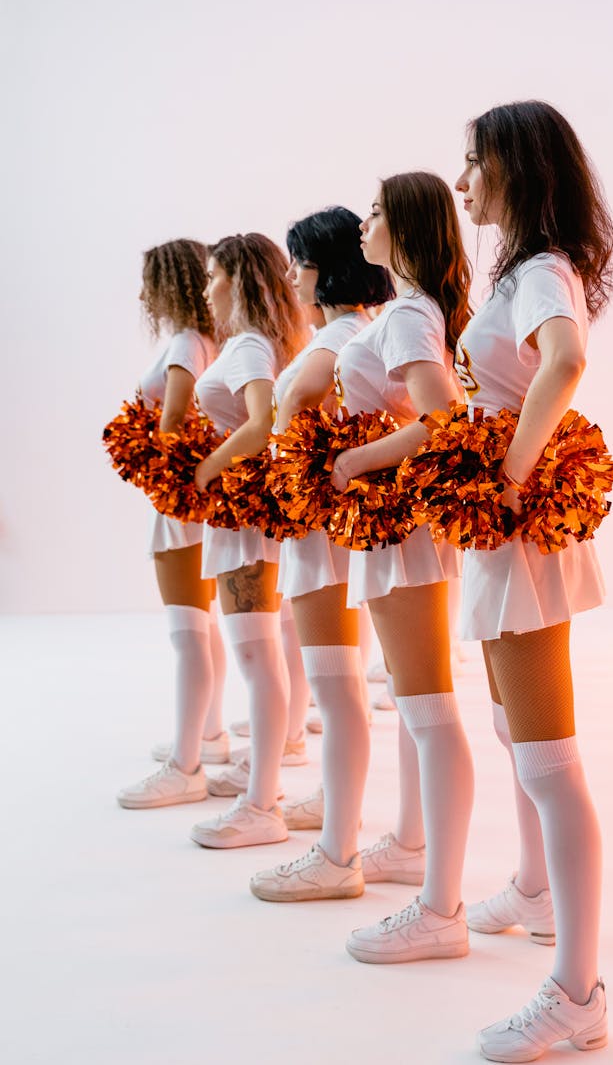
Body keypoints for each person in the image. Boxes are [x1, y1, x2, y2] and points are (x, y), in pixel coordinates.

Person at [454, 99, 613, 1061]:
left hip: (521, 536)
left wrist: (511, 472)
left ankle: (578, 991)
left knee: (550, 760)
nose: (464, 180)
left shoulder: (546, 269)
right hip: (497, 538)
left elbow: (567, 359)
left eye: (474, 163)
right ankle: (534, 891)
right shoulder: (517, 269)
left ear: (517, 167)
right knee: (520, 737)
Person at [320, 172, 475, 961]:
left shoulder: (410, 315)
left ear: (406, 226)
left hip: (399, 526)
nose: (364, 223)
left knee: (428, 708)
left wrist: (354, 459)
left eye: (377, 211)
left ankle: (440, 906)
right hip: (395, 528)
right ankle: (418, 856)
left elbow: (441, 420)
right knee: (417, 701)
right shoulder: (412, 309)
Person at [248, 206, 394, 901]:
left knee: (338, 695)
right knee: (340, 694)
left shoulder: (342, 335)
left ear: (327, 268)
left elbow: (309, 398)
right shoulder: (348, 331)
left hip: (322, 540)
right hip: (322, 537)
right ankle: (341, 822)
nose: (293, 276)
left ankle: (338, 855)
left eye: (300, 263)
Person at [185, 233, 307, 848]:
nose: (207, 290)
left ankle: (262, 805)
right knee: (262, 657)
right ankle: (262, 787)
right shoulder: (257, 343)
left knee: (258, 660)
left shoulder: (248, 345)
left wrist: (208, 467)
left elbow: (262, 422)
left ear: (239, 279)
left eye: (213, 277)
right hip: (244, 516)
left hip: (243, 517)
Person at [117, 239, 228, 810]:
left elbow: (175, 425)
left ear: (169, 282)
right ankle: (206, 733)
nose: (143, 294)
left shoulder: (186, 343)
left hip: (178, 506)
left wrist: (141, 445)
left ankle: (184, 765)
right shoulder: (204, 339)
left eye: (149, 281)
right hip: (191, 505)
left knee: (186, 631)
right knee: (200, 627)